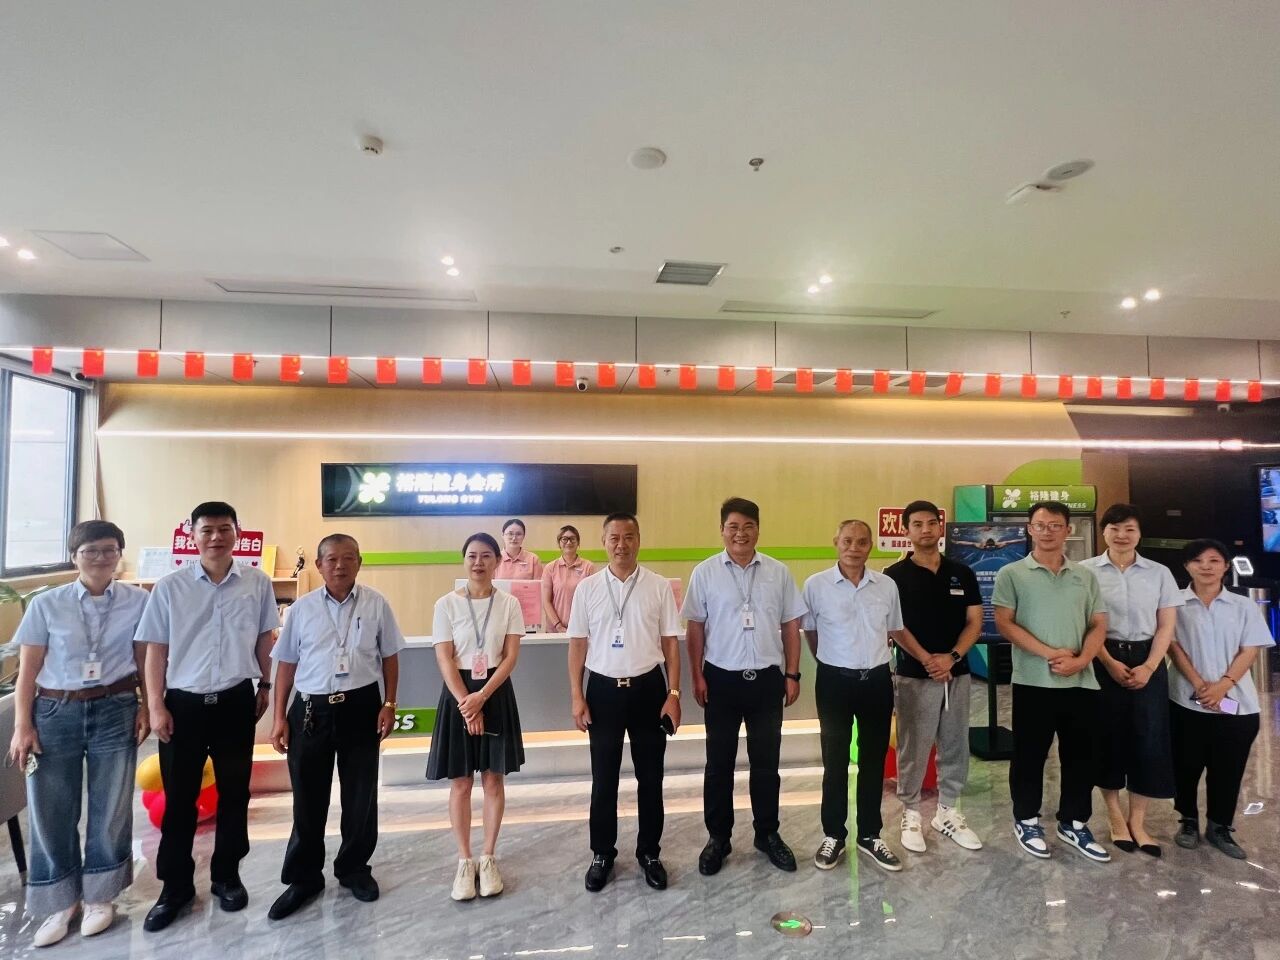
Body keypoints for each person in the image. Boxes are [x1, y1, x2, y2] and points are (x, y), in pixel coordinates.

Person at [138, 501, 279, 931]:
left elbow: (265, 638)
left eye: (224, 528)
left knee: (235, 794)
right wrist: (156, 704)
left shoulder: (257, 583)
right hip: (183, 705)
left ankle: (227, 876)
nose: (216, 537)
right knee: (179, 798)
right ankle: (175, 886)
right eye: (207, 530)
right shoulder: (170, 587)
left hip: (236, 701)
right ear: (192, 535)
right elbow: (155, 649)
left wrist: (265, 686)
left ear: (237, 533)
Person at [7, 521, 148, 947]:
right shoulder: (47, 604)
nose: (101, 558)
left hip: (116, 707)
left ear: (119, 554)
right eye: (90, 550)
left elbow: (145, 659)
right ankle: (60, 901)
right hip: (55, 710)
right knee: (51, 807)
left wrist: (147, 705)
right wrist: (23, 724)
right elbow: (27, 671)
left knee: (111, 805)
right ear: (74, 556)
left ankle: (101, 896)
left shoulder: (138, 601)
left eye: (109, 550)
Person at [267, 534, 405, 919]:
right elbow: (286, 665)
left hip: (361, 706)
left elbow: (390, 656)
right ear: (319, 565)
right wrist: (279, 717)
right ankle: (304, 877)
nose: (340, 565)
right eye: (331, 559)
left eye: (348, 558)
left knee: (360, 795)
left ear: (359, 562)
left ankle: (354, 868)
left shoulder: (376, 604)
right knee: (307, 797)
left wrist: (389, 703)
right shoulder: (301, 610)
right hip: (310, 710)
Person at [682, 497, 806, 876]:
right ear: (722, 530)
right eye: (733, 526)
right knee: (718, 765)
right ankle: (718, 838)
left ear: (758, 530)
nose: (741, 533)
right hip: (720, 680)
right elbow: (695, 628)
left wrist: (792, 674)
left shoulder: (778, 572)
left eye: (748, 526)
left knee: (766, 764)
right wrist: (697, 675)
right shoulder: (704, 573)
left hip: (766, 681)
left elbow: (791, 626)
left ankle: (767, 834)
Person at [803, 519, 930, 873]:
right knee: (835, 761)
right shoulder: (816, 585)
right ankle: (833, 834)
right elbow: (811, 633)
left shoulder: (886, 585)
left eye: (861, 542)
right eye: (847, 541)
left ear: (870, 546)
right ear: (836, 542)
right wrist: (832, 661)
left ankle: (870, 835)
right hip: (834, 682)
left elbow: (895, 629)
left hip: (875, 681)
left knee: (873, 761)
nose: (854, 548)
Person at [568, 512, 681, 892]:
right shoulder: (587, 589)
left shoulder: (658, 586)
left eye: (629, 536)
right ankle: (602, 853)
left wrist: (673, 694)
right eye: (614, 537)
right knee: (604, 779)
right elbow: (577, 645)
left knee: (651, 777)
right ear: (603, 542)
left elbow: (670, 643)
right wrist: (577, 696)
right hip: (602, 692)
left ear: (638, 540)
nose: (621, 544)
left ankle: (649, 852)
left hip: (649, 689)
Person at [993, 501, 1110, 863]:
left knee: (1081, 756)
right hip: (1033, 681)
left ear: (1067, 530)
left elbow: (1099, 624)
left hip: (1081, 681)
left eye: (1055, 525)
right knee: (1029, 755)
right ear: (1030, 529)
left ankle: (1073, 822)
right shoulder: (1012, 573)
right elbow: (1005, 623)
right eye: (1040, 525)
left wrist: (1082, 660)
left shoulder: (1084, 576)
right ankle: (1026, 820)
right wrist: (1049, 654)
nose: (1047, 531)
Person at [426, 532, 526, 901]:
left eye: (486, 556)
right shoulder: (446, 605)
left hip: (495, 692)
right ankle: (464, 861)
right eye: (472, 555)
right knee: (461, 783)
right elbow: (444, 658)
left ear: (497, 561)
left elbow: (510, 657)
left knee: (493, 780)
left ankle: (488, 857)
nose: (478, 562)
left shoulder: (509, 603)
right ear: (464, 560)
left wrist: (482, 697)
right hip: (458, 693)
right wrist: (467, 704)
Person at [1081, 504, 1182, 857]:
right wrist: (1108, 662)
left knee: (1149, 738)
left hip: (1147, 657)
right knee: (1106, 736)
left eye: (1130, 529)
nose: (1122, 535)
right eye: (1115, 528)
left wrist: (1150, 667)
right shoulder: (1085, 571)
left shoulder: (1159, 573)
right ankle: (1114, 815)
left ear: (1139, 534)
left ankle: (1138, 821)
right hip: (1102, 656)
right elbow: (1084, 623)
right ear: (1103, 531)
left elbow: (1166, 625)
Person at [884, 500, 984, 854]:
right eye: (917, 524)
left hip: (957, 674)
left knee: (955, 743)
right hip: (915, 675)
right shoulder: (894, 576)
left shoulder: (962, 572)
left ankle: (947, 812)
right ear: (906, 531)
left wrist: (952, 657)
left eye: (931, 523)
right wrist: (927, 659)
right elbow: (894, 626)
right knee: (914, 746)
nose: (925, 530)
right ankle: (911, 813)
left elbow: (975, 621)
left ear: (940, 527)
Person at [1167, 538, 1274, 859]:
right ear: (1187, 566)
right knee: (1185, 766)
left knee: (1228, 767)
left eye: (1214, 560)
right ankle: (1187, 820)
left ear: (1226, 566)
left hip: (1237, 704)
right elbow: (1173, 646)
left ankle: (1220, 827)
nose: (1206, 567)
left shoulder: (1243, 606)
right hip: (1186, 700)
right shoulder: (1174, 604)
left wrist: (1223, 686)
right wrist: (1200, 684)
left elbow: (1250, 649)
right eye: (1198, 560)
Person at [541, 525, 596, 633]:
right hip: (555, 630)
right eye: (564, 539)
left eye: (572, 539)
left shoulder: (589, 567)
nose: (569, 542)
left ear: (578, 542)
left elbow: (593, 601)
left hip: (582, 629)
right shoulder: (550, 568)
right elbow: (546, 601)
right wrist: (558, 626)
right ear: (559, 543)